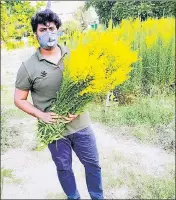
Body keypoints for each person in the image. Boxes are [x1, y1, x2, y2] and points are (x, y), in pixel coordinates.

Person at [14, 9, 104, 200]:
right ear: (35, 33)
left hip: (80, 124)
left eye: (52, 28)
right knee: (64, 168)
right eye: (43, 29)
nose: (48, 32)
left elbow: (89, 88)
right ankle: (73, 197)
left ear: (58, 30)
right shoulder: (28, 66)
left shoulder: (75, 56)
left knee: (93, 165)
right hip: (52, 128)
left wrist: (78, 108)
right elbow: (18, 99)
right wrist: (42, 115)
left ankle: (97, 197)